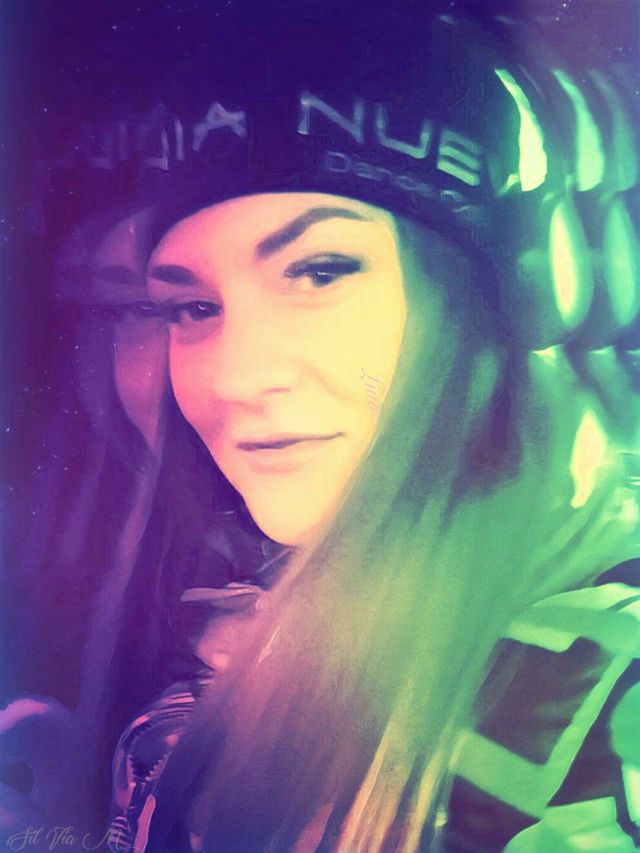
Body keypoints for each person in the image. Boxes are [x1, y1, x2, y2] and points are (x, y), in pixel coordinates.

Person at [3, 2, 639, 851]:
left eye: (320, 270)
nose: (233, 378)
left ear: (489, 303)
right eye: (193, 307)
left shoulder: (600, 697)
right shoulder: (273, 578)